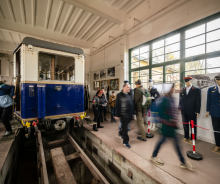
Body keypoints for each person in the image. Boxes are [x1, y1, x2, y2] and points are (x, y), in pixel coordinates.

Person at [151, 83, 195, 171]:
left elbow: (173, 110)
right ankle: (183, 162)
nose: (174, 89)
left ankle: (154, 156)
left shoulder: (171, 98)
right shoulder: (165, 99)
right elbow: (161, 113)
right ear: (169, 89)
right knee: (173, 143)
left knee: (168, 142)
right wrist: (169, 119)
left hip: (170, 126)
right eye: (172, 88)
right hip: (167, 126)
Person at [178, 77, 201, 143]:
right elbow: (180, 100)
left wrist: (197, 111)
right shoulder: (182, 89)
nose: (186, 83)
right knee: (185, 124)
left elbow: (198, 101)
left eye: (187, 81)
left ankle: (193, 138)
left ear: (191, 81)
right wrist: (179, 108)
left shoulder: (196, 90)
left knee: (192, 125)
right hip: (184, 110)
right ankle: (186, 136)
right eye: (185, 82)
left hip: (192, 111)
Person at [115, 83, 134, 148]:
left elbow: (131, 104)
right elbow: (117, 105)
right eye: (128, 87)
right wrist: (116, 114)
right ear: (124, 87)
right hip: (123, 115)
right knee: (125, 129)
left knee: (124, 128)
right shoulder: (119, 95)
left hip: (129, 115)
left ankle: (120, 133)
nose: (129, 88)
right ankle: (125, 142)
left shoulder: (129, 95)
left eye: (129, 87)